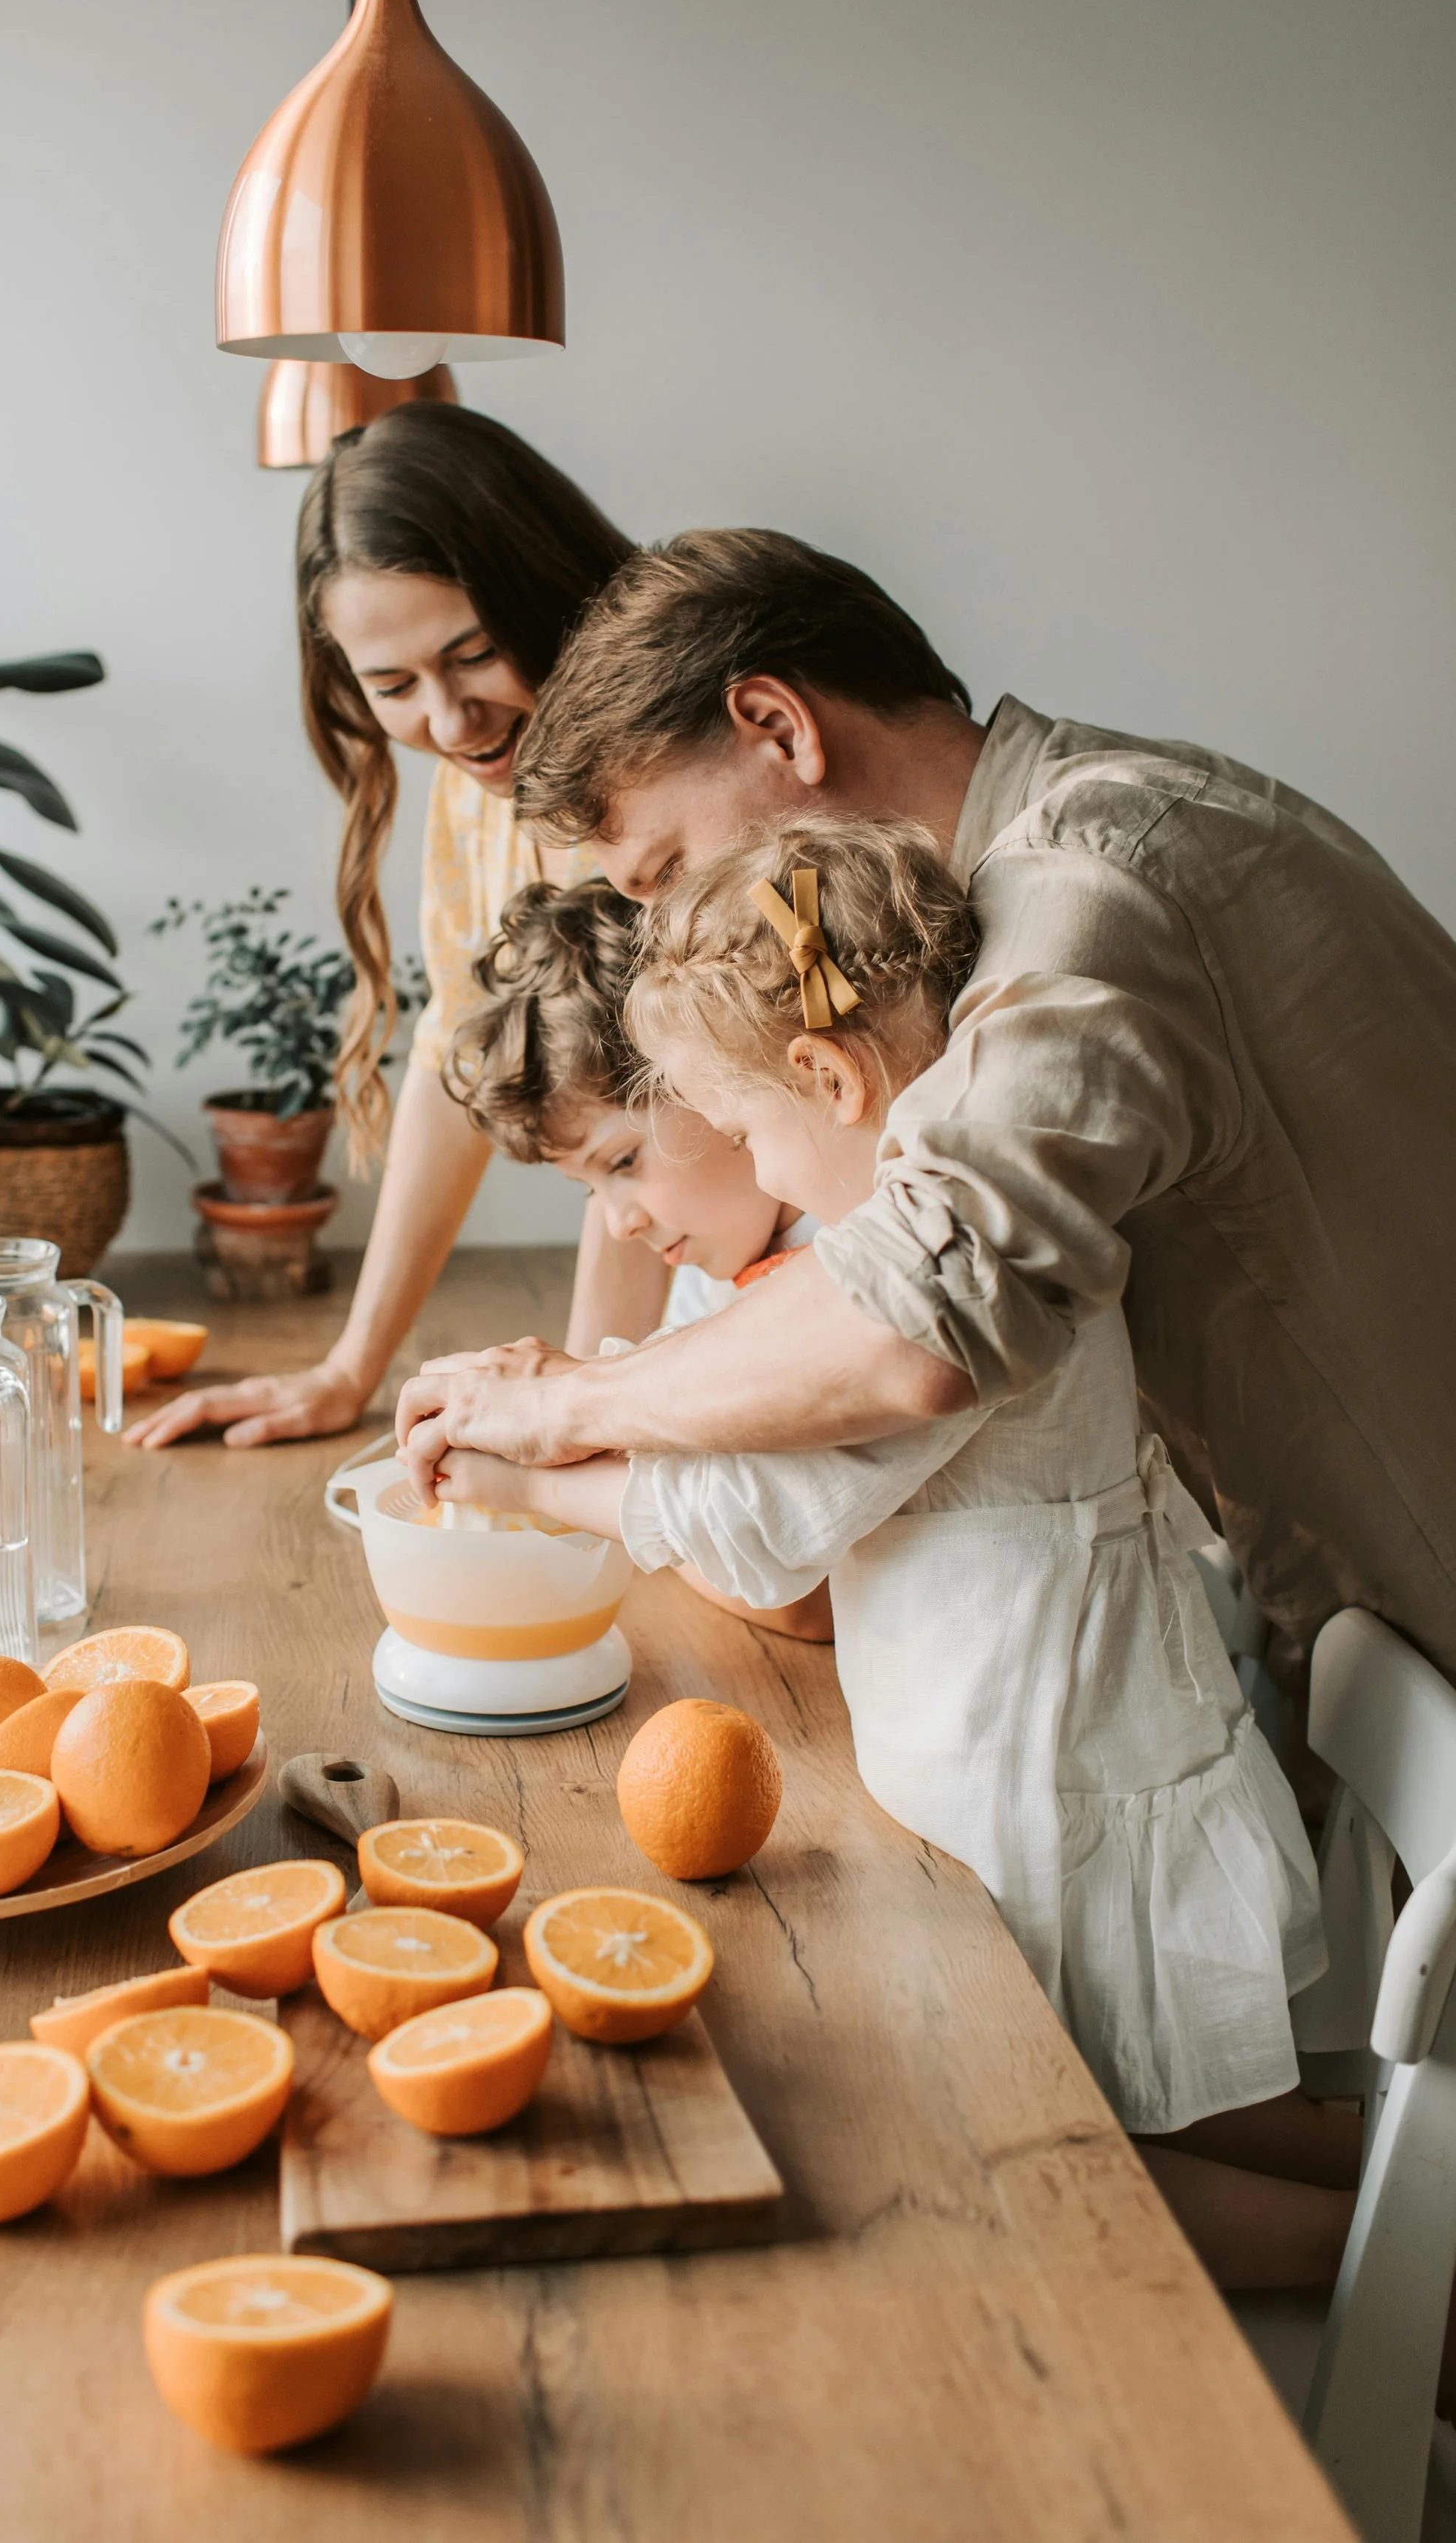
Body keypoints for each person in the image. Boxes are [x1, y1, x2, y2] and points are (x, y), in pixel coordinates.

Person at [434, 817, 1355, 2285]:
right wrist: (567, 1414)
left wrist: (521, 1473)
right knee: (1174, 2115)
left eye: (718, 1135)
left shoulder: (906, 1280)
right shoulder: (848, 1230)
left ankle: (1406, 2313)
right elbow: (733, 1454)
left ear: (818, 1080)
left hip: (1046, 1772)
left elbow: (755, 1528)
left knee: (1030, 2149)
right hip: (1029, 1747)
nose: (663, 1197)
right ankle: (1401, 2248)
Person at [396, 526, 1456, 1688]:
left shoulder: (1092, 884)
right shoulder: (1027, 876)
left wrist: (568, 1403)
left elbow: (918, 1317)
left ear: (778, 727)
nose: (668, 933)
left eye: (665, 873)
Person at [125, 405, 669, 1453]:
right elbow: (457, 1048)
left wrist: (586, 1413)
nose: (452, 721)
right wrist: (349, 1368)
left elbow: (656, 1106)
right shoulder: (484, 777)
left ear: (542, 584)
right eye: (392, 687)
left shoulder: (662, 759)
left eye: (473, 653)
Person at [442, 872, 830, 1640]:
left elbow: (799, 1598)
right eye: (590, 1191)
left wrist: (540, 1485)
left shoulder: (851, 1242)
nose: (619, 1226)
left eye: (620, 1163)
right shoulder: (712, 1268)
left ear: (714, 1073)